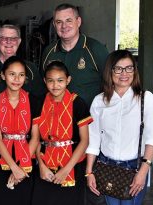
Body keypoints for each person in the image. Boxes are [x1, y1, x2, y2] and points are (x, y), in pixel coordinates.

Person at [86, 50, 153, 205]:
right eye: (118, 68)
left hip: (135, 168)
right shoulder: (99, 101)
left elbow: (152, 139)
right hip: (107, 167)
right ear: (110, 71)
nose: (124, 73)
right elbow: (93, 140)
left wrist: (143, 171)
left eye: (129, 68)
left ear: (134, 70)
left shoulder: (146, 99)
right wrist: (89, 173)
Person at [32, 61, 92, 205]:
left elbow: (84, 141)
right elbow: (37, 139)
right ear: (45, 81)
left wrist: (66, 170)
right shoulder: (39, 102)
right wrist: (41, 165)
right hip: (45, 163)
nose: (55, 85)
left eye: (60, 81)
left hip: (72, 165)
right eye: (51, 81)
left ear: (68, 80)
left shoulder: (78, 103)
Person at [0, 56, 41, 205]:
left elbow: (35, 137)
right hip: (1, 160)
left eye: (21, 74)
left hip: (26, 158)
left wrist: (21, 167)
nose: (16, 79)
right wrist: (13, 167)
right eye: (12, 74)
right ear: (3, 75)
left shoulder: (34, 101)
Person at [41, 3, 109, 106]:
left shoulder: (96, 49)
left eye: (69, 20)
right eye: (59, 22)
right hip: (57, 118)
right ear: (54, 25)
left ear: (78, 22)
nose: (64, 26)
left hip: (90, 119)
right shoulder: (49, 52)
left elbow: (111, 84)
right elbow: (43, 85)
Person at [0, 24, 45, 99]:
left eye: (13, 38)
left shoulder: (31, 68)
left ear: (19, 41)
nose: (8, 42)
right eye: (4, 38)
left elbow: (40, 99)